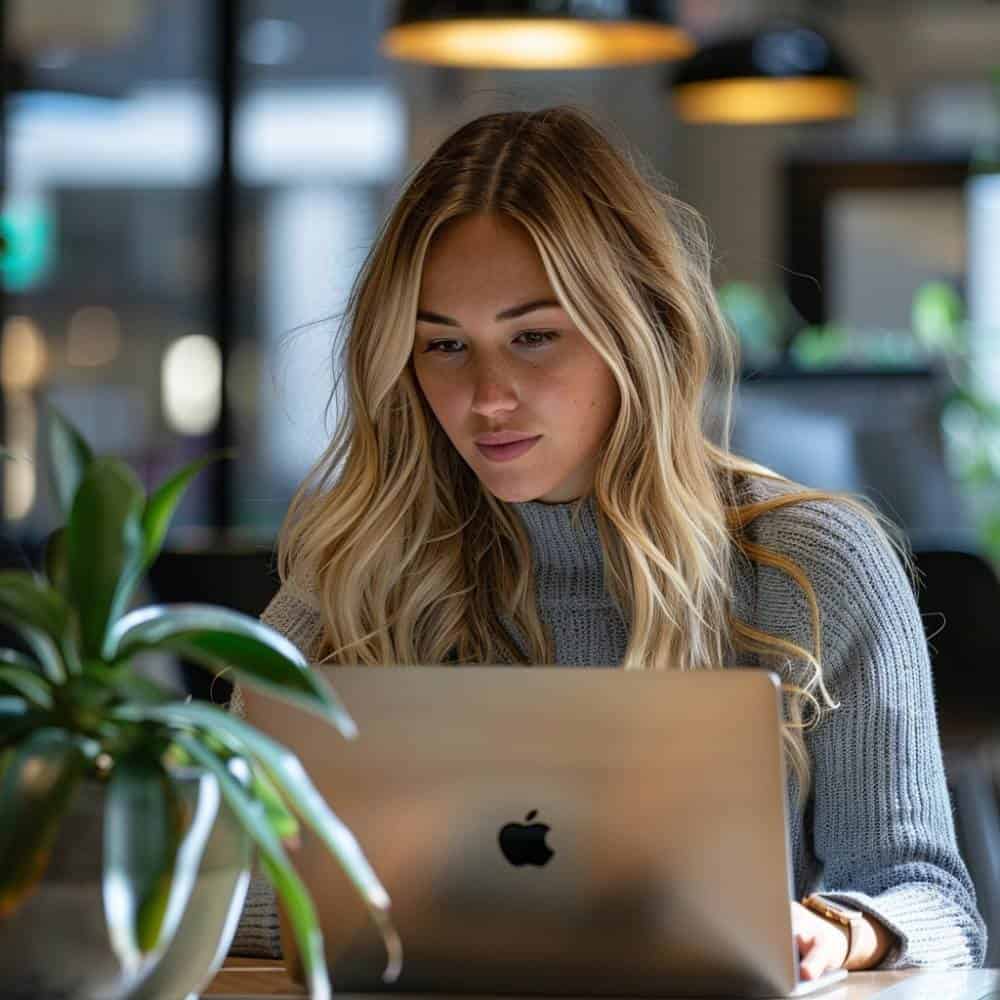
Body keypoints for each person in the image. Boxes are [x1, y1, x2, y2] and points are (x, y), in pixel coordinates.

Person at [227, 105, 987, 976]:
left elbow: (929, 899)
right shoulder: (358, 570)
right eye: (443, 346)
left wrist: (845, 931)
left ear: (641, 326)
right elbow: (203, 880)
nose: (487, 396)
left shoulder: (813, 565)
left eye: (535, 337)